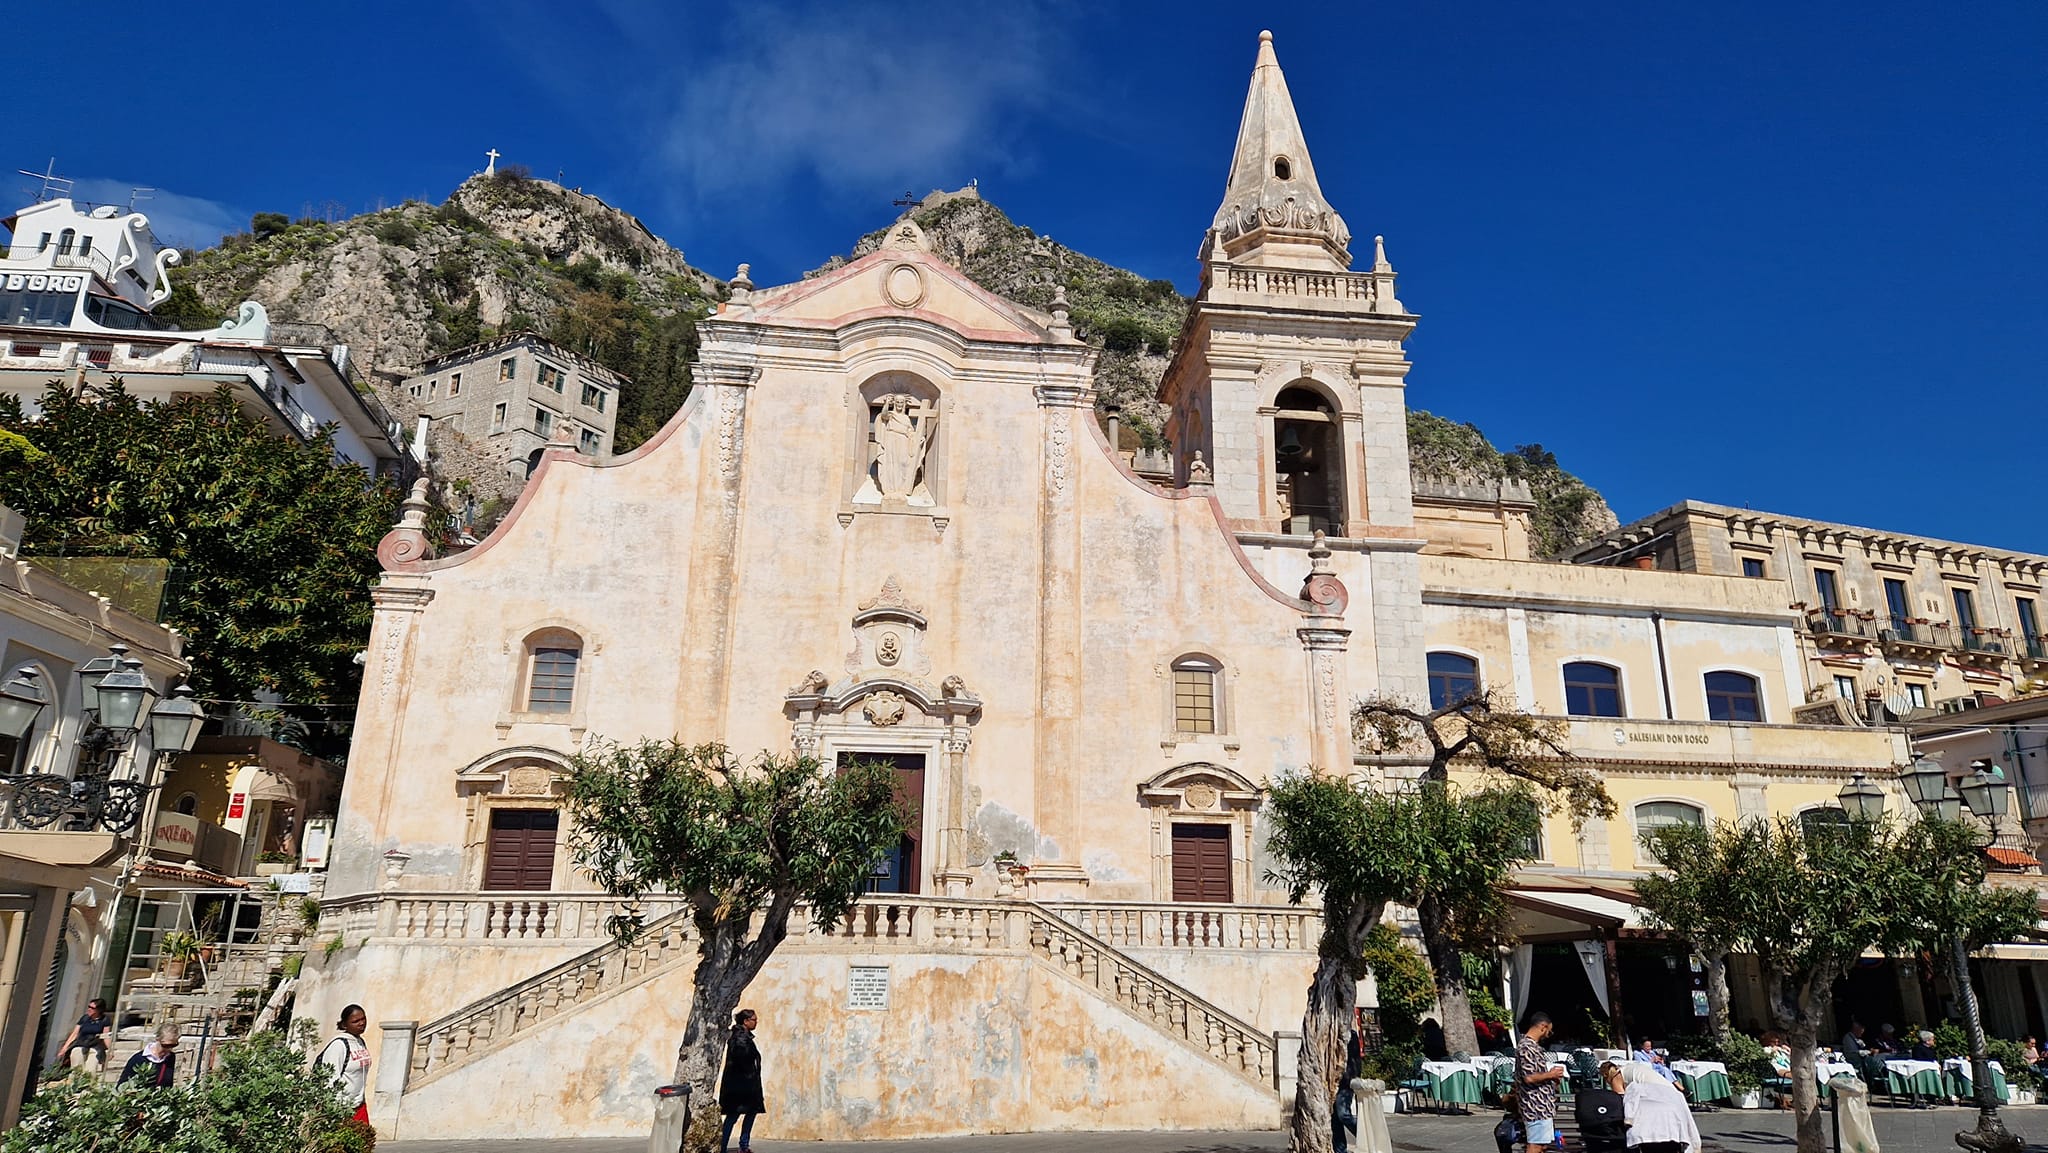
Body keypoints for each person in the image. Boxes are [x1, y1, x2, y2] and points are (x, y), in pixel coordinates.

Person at [1608, 1061, 1702, 1153]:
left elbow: (1621, 1095)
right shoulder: (1634, 1068)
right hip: (1672, 1098)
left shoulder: (1620, 1078)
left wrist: (1628, 1119)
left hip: (1655, 1106)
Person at [1515, 1011, 1566, 1153]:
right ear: (1543, 1027)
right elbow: (1529, 1077)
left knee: (1542, 1145)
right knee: (1535, 1145)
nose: (1548, 1035)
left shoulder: (1533, 1047)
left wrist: (1552, 1079)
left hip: (1542, 1105)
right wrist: (1551, 1074)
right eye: (1549, 1031)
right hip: (1535, 1105)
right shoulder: (1527, 1047)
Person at [316, 1003, 373, 1124]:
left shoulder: (360, 1042)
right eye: (355, 1021)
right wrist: (335, 1111)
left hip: (359, 1105)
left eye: (363, 1019)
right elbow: (330, 1079)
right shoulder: (338, 1045)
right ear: (344, 1024)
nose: (361, 1023)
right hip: (342, 1109)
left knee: (364, 1142)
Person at [719, 1008, 765, 1153]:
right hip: (741, 1086)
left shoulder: (743, 1037)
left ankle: (743, 1145)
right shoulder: (739, 1038)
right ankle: (723, 1146)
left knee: (749, 1112)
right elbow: (743, 1060)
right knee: (733, 1116)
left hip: (746, 1085)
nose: (756, 1022)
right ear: (746, 1021)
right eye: (754, 1020)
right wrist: (750, 1077)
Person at [57, 998, 111, 1073]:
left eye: (92, 1008)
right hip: (81, 1043)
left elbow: (106, 1036)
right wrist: (65, 1048)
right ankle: (75, 1082)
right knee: (76, 1064)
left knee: (91, 1070)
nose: (89, 1009)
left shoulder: (105, 1019)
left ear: (99, 1010)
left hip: (95, 1045)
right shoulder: (85, 1018)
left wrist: (110, 1050)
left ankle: (88, 1083)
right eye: (89, 1007)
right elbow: (75, 1034)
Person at [119, 1023, 179, 1088]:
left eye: (173, 1045)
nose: (169, 1049)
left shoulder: (170, 1057)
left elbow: (168, 1084)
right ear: (157, 1039)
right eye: (166, 1045)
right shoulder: (138, 1059)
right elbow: (122, 1085)